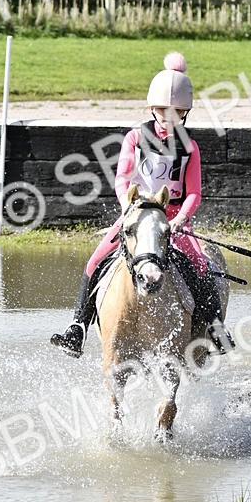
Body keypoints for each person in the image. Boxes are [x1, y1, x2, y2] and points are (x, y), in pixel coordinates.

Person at [50, 51, 234, 358]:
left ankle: (214, 327)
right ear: (153, 108)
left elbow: (194, 193)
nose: (168, 115)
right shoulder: (135, 138)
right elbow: (122, 178)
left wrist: (180, 219)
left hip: (173, 217)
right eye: (163, 109)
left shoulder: (190, 147)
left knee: (201, 267)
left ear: (185, 111)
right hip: (136, 214)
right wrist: (126, 207)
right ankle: (77, 328)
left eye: (176, 110)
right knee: (95, 261)